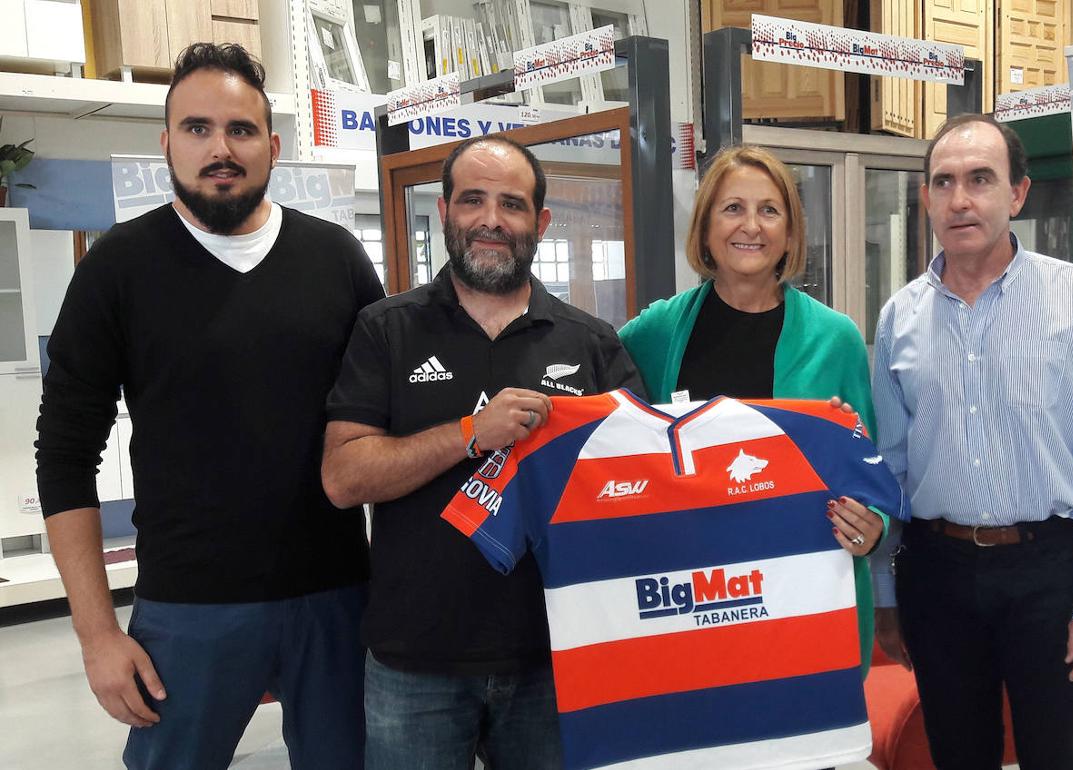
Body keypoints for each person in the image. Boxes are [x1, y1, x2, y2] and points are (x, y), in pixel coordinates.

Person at [34, 43, 383, 769]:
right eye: (196, 129)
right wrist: (98, 636)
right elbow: (65, 457)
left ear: (273, 147)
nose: (219, 149)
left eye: (241, 130)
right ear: (166, 143)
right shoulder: (116, 271)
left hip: (337, 601)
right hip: (187, 610)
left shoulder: (336, 259)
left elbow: (387, 424)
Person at [320, 134, 644, 770]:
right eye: (473, 200)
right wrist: (470, 433)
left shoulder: (592, 343)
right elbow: (342, 476)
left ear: (540, 222)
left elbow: (638, 484)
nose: (491, 220)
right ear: (443, 212)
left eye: (512, 204)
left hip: (554, 658)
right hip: (415, 663)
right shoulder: (385, 329)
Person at [870, 113, 1073, 769]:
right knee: (957, 756)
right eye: (944, 182)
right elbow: (891, 470)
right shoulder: (898, 319)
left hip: (1048, 573)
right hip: (935, 576)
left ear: (1017, 194)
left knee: (1059, 756)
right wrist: (887, 598)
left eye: (980, 180)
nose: (960, 200)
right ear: (926, 199)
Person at [618, 145, 887, 679]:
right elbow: (598, 417)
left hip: (799, 596)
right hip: (692, 597)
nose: (752, 226)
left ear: (789, 231)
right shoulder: (655, 332)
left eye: (770, 210)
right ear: (706, 227)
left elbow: (870, 471)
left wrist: (872, 524)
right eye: (732, 208)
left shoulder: (836, 338)